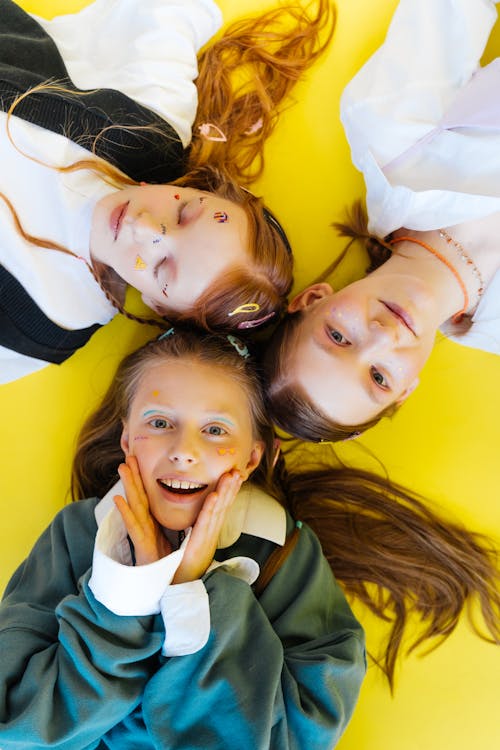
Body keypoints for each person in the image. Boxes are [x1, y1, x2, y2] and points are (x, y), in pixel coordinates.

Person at [1, 328, 499, 749]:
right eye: (159, 423)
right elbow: (17, 727)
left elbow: (288, 733)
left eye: (216, 430)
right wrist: (125, 597)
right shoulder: (77, 534)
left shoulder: (283, 550)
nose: (184, 451)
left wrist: (194, 592)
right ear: (128, 438)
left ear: (253, 458)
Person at [0, 0, 335, 384]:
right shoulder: (146, 131)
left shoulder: (47, 325)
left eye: (162, 269)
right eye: (184, 212)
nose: (143, 227)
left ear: (158, 304)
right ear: (196, 187)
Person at [262, 0, 500, 442]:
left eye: (337, 337)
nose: (379, 338)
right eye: (379, 378)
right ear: (406, 391)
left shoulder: (391, 132)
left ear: (313, 298)